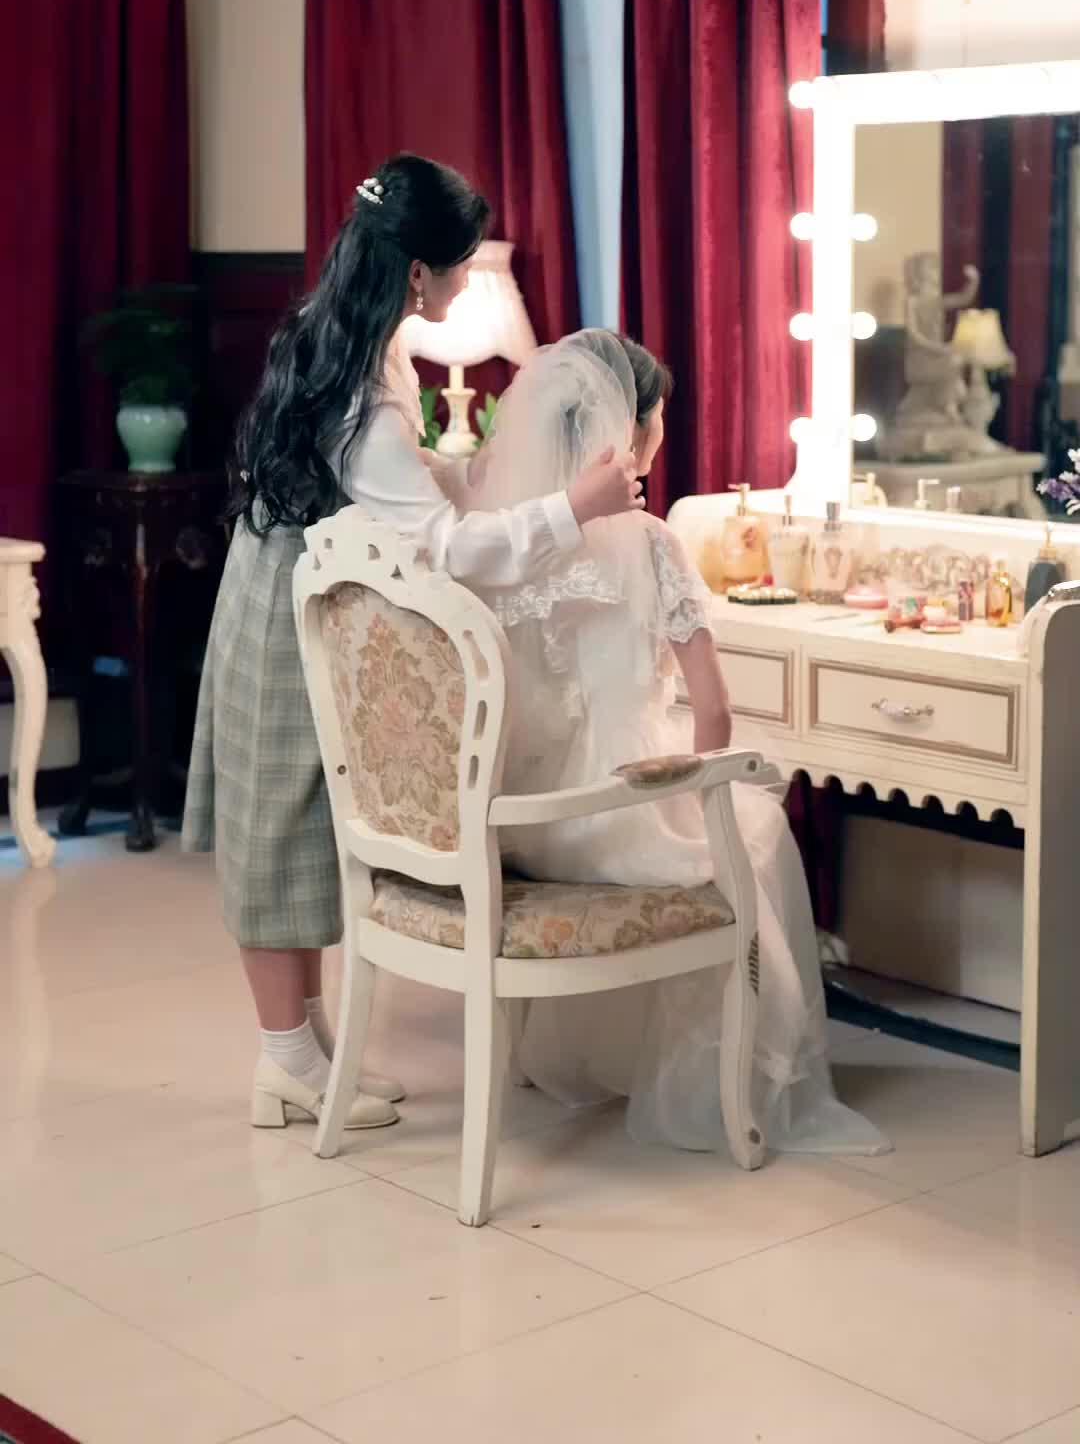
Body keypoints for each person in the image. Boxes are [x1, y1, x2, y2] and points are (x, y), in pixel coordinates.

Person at [182, 161, 644, 1135]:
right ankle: (284, 1057)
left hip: (291, 584)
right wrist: (573, 508)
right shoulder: (366, 389)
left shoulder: (355, 341)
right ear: (419, 272)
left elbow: (394, 480)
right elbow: (447, 550)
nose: (469, 282)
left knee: (302, 826)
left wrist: (465, 470)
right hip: (288, 606)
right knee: (276, 830)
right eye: (462, 265)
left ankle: (305, 1049)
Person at [457, 329, 888, 1158]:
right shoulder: (651, 543)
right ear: (630, 428)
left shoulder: (500, 542)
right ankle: (715, 1082)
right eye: (655, 418)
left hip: (517, 822)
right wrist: (701, 786)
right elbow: (713, 711)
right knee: (753, 823)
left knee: (717, 810)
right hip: (612, 818)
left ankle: (588, 1050)